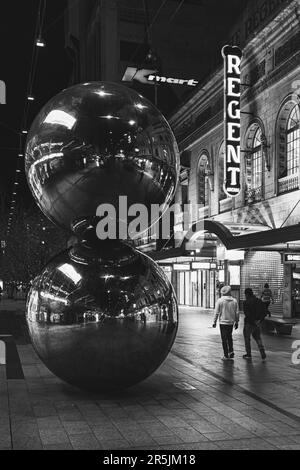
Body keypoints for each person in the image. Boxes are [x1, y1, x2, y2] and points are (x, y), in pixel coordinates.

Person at [212, 285, 239, 361]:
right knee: (229, 337)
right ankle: (231, 351)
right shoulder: (234, 301)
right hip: (231, 322)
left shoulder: (220, 301)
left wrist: (214, 322)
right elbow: (237, 313)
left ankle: (226, 355)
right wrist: (237, 322)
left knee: (224, 339)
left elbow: (216, 312)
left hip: (223, 323)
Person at [243, 288, 267, 361]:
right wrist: (259, 320)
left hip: (249, 323)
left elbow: (247, 314)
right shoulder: (259, 301)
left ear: (247, 294)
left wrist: (253, 321)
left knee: (247, 338)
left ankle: (248, 354)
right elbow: (264, 312)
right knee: (258, 338)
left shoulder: (246, 302)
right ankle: (262, 351)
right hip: (257, 323)